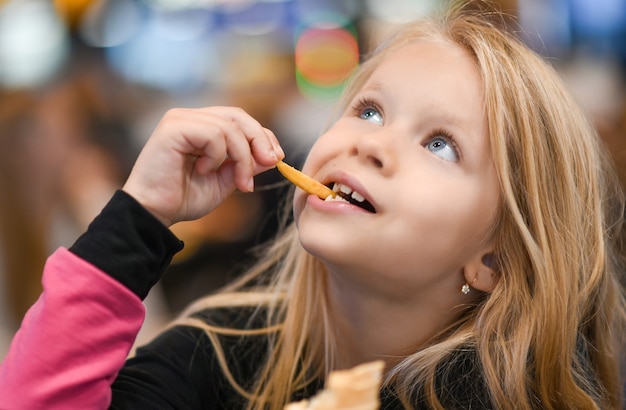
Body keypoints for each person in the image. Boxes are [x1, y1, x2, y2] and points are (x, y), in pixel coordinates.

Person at [1, 4, 625, 409]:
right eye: (369, 110)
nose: (371, 143)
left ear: (494, 260)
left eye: (440, 144)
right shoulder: (216, 354)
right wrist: (138, 217)